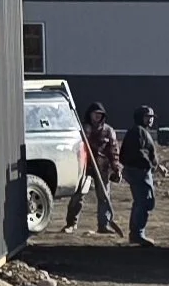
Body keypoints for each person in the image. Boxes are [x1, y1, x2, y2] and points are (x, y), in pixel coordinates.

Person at [65, 102, 121, 234]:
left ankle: (104, 224)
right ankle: (71, 223)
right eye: (95, 114)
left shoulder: (108, 131)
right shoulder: (81, 130)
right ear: (89, 115)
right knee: (78, 195)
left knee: (104, 197)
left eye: (100, 115)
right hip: (84, 167)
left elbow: (113, 150)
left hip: (102, 167)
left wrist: (116, 168)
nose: (97, 117)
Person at [122, 105, 160, 246]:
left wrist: (156, 165)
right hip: (138, 172)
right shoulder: (137, 132)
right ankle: (137, 234)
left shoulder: (142, 131)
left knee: (144, 201)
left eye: (151, 117)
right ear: (140, 117)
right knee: (143, 201)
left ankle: (137, 233)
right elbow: (137, 154)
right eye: (147, 117)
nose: (150, 120)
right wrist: (149, 165)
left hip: (142, 171)